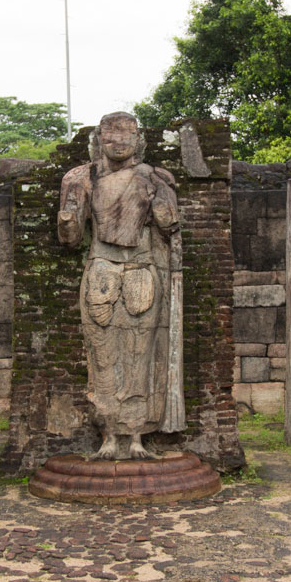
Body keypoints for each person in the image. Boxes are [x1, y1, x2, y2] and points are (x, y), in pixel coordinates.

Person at [58, 112, 183, 460]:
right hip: (100, 266)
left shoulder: (154, 176)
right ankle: (109, 435)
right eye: (111, 135)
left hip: (142, 267)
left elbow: (169, 225)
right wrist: (68, 215)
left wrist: (159, 194)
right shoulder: (81, 177)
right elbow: (69, 238)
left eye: (127, 134)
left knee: (140, 355)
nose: (119, 141)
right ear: (100, 139)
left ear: (139, 140)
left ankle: (138, 436)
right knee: (102, 356)